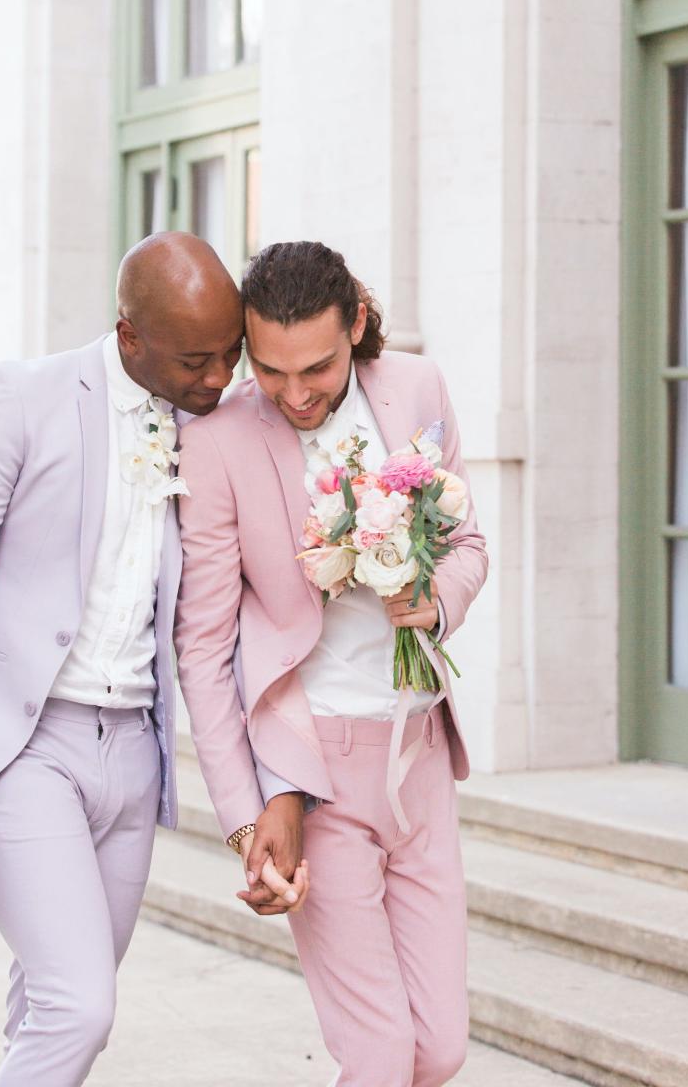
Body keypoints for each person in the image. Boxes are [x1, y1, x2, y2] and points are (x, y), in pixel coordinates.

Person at [0, 231, 302, 1086]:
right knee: (80, 1004)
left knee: (47, 996)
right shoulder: (21, 399)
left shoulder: (213, 425)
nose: (219, 378)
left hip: (134, 759)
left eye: (229, 356)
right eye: (196, 360)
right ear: (129, 336)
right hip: (21, 748)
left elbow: (229, 624)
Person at [174, 240, 488, 1087]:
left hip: (419, 754)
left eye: (315, 367)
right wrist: (246, 814)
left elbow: (467, 544)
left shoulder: (416, 389)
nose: (296, 394)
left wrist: (438, 599)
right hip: (315, 769)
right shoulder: (217, 440)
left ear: (356, 322)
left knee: (441, 1050)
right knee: (380, 1054)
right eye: (272, 372)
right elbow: (202, 646)